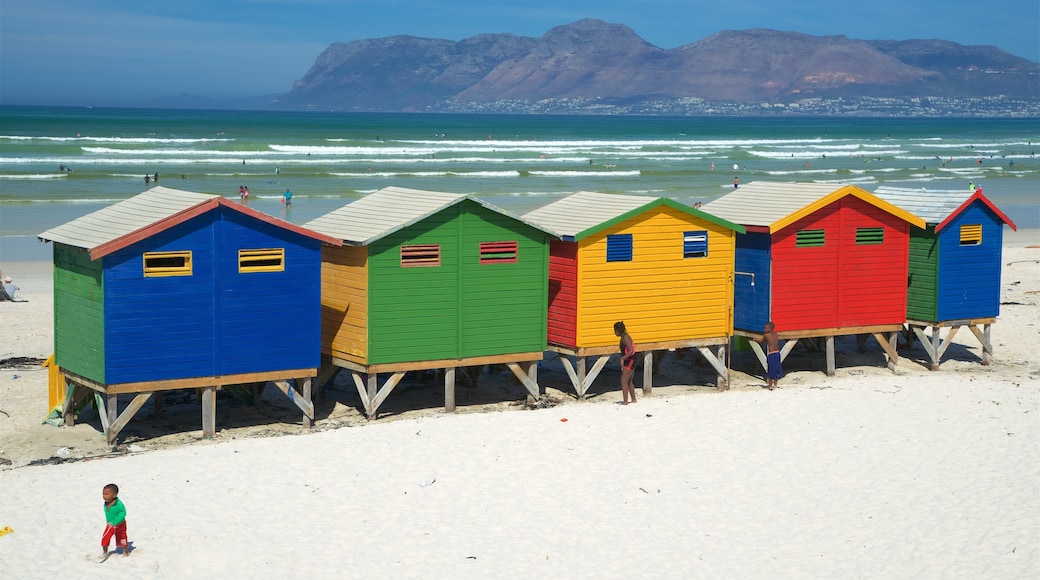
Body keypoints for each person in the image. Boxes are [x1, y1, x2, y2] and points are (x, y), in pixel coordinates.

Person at [100, 483, 129, 560]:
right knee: (105, 537)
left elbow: (123, 513)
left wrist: (115, 521)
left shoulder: (119, 504)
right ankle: (105, 552)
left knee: (122, 538)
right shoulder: (106, 502)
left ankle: (125, 551)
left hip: (120, 525)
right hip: (110, 525)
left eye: (106, 494)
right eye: (103, 494)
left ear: (114, 495)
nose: (104, 496)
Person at [613, 321, 637, 404]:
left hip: (630, 360)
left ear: (618, 330)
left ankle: (625, 402)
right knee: (629, 381)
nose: (614, 332)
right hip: (630, 359)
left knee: (624, 380)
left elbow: (631, 351)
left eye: (615, 330)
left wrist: (622, 359)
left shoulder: (626, 338)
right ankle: (633, 400)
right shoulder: (624, 337)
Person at [756, 321, 783, 390]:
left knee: (771, 369)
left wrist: (756, 340)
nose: (764, 329)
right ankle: (775, 384)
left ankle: (770, 385)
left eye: (765, 328)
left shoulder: (766, 335)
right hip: (777, 353)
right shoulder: (775, 334)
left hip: (771, 354)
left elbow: (762, 342)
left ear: (770, 328)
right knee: (776, 368)